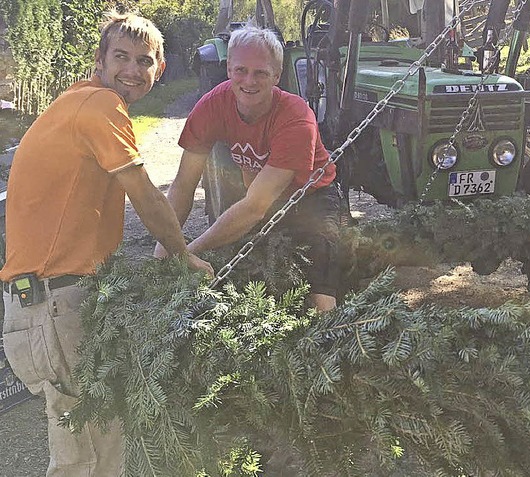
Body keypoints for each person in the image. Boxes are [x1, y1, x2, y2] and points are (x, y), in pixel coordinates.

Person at [0, 11, 213, 477]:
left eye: (145, 60)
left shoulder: (77, 102)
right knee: (80, 458)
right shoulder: (99, 106)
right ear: (100, 59)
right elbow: (143, 191)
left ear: (158, 70)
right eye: (122, 57)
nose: (133, 70)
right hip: (53, 301)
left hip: (54, 298)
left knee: (105, 440)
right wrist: (183, 257)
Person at [154, 25, 340, 311]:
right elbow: (184, 184)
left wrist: (188, 250)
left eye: (261, 73)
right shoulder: (213, 105)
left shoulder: (297, 118)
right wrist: (164, 248)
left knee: (321, 291)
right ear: (228, 68)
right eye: (241, 70)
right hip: (257, 193)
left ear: (277, 76)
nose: (249, 81)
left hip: (311, 198)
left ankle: (330, 331)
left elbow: (255, 207)